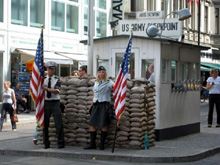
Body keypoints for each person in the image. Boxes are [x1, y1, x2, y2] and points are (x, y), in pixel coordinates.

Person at [84, 66, 115, 150]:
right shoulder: (96, 82)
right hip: (95, 105)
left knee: (103, 124)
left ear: (105, 73)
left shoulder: (109, 82)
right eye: (100, 72)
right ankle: (92, 144)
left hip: (104, 105)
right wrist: (91, 106)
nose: (101, 74)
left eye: (103, 72)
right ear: (98, 73)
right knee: (92, 124)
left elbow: (115, 86)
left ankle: (102, 144)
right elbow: (94, 94)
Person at [42, 61, 65, 149]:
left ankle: (61, 142)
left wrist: (46, 89)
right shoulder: (43, 79)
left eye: (52, 69)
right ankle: (46, 142)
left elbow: (57, 91)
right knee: (45, 124)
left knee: (58, 123)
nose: (50, 71)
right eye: (49, 69)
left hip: (55, 102)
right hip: (46, 102)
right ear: (47, 69)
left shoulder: (57, 79)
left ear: (54, 70)